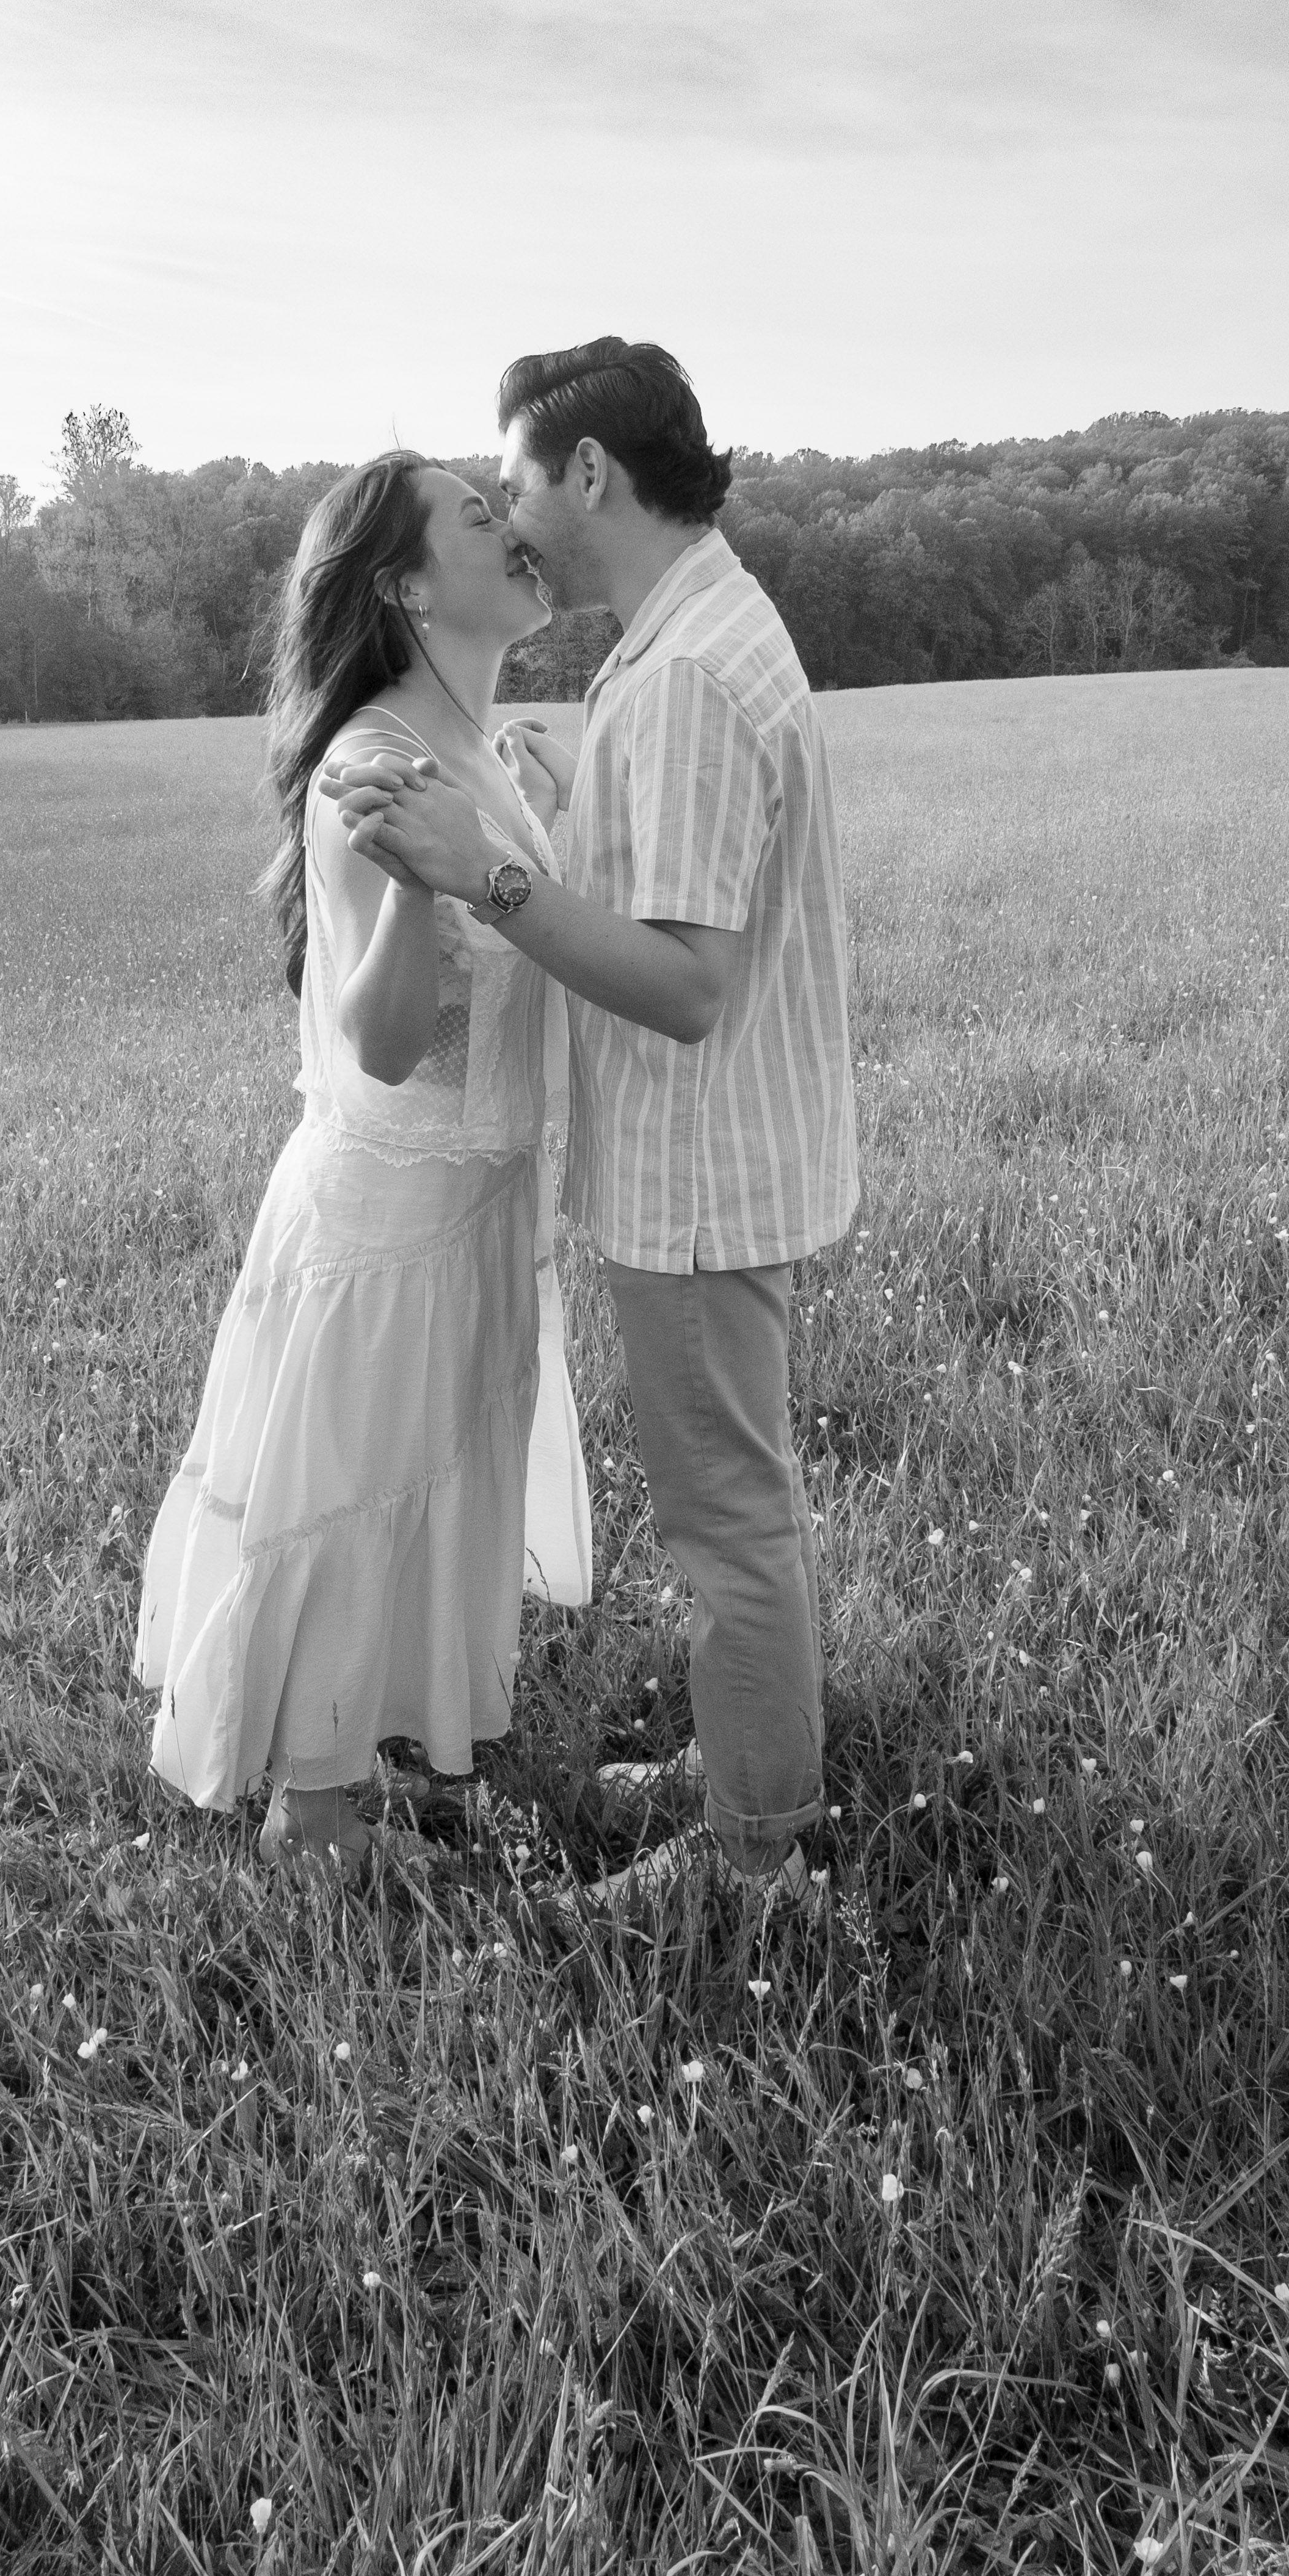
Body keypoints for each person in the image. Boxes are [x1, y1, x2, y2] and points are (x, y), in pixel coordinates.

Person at [325, 341, 858, 1908]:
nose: (508, 517)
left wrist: (485, 869)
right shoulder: (687, 631)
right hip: (719, 1150)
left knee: (726, 1521)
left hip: (700, 1165)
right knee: (732, 1503)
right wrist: (569, 806)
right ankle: (749, 1760)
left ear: (590, 474)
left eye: (513, 484)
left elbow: (687, 985)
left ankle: (755, 1856)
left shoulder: (683, 674)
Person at [133, 452, 592, 1872]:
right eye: (480, 518)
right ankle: (316, 1825)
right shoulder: (375, 765)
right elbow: (385, 1041)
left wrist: (554, 816)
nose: (515, 531)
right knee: (350, 1506)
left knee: (429, 1489)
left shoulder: (474, 744)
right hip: (394, 1215)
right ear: (406, 587)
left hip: (478, 1198)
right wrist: (416, 892)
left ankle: (382, 1767)